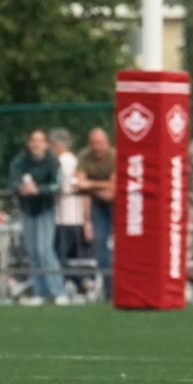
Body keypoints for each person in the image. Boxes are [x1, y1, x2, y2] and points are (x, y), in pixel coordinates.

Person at [10, 128, 62, 304]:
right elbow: (13, 180)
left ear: (46, 144)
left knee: (44, 248)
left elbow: (57, 184)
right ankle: (40, 291)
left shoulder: (52, 161)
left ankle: (57, 290)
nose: (36, 144)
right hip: (27, 209)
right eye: (33, 140)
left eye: (39, 141)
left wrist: (38, 190)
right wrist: (21, 188)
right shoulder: (21, 160)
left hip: (45, 208)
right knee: (32, 250)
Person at [75, 127, 116, 302]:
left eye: (100, 143)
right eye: (93, 143)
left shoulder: (115, 156)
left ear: (107, 143)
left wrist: (89, 185)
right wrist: (86, 221)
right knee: (99, 245)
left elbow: (114, 188)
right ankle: (109, 290)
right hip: (97, 207)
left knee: (124, 248)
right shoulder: (84, 157)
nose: (96, 146)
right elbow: (77, 183)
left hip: (119, 206)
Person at [50, 128, 89, 298]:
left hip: (65, 217)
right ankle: (78, 283)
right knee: (66, 256)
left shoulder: (61, 162)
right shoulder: (74, 161)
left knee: (59, 256)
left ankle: (81, 281)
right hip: (74, 216)